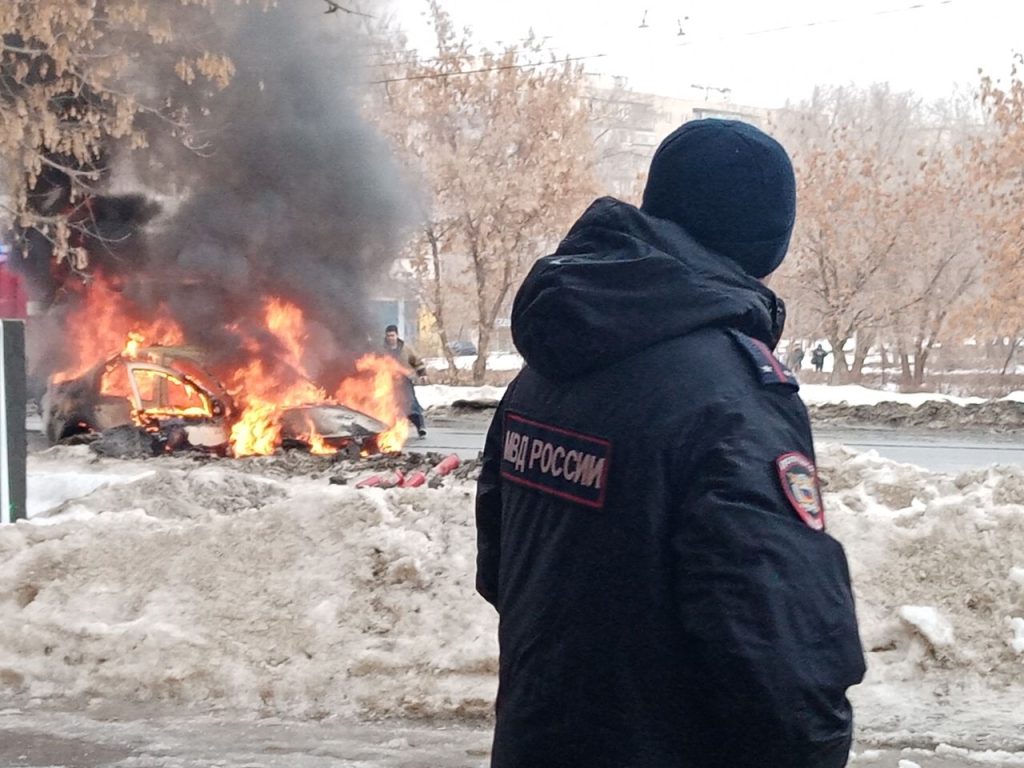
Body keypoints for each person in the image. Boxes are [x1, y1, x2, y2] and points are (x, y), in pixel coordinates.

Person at [476, 119, 865, 768]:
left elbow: (503, 571)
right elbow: (786, 663)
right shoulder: (732, 398)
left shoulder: (547, 366)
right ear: (766, 241)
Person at [383, 324, 427, 437]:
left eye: (392, 335)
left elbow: (416, 361)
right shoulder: (381, 348)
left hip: (404, 380)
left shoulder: (405, 348)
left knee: (411, 403)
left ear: (397, 335)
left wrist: (422, 374)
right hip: (387, 381)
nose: (390, 338)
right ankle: (390, 430)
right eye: (388, 336)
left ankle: (420, 427)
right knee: (390, 405)